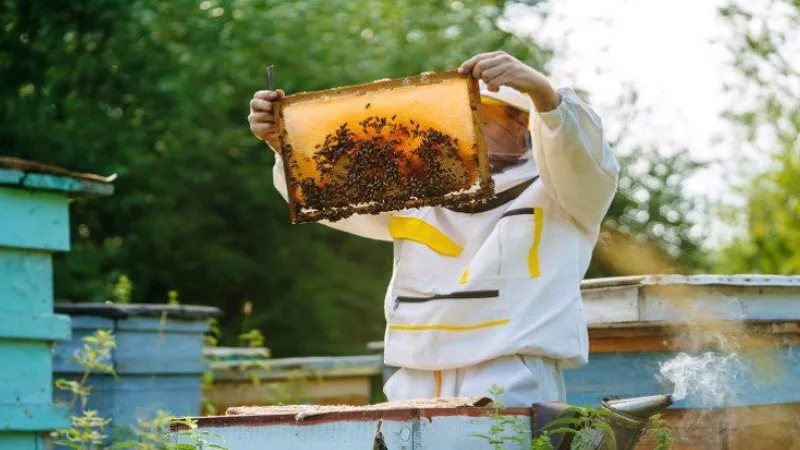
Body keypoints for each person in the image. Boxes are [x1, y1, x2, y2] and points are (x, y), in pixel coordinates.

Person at [248, 51, 619, 407]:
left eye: (480, 115)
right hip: (414, 376)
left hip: (508, 372)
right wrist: (286, 144)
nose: (461, 127)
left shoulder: (563, 191)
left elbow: (584, 158)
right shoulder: (416, 188)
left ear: (523, 124)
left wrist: (545, 95)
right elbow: (334, 196)